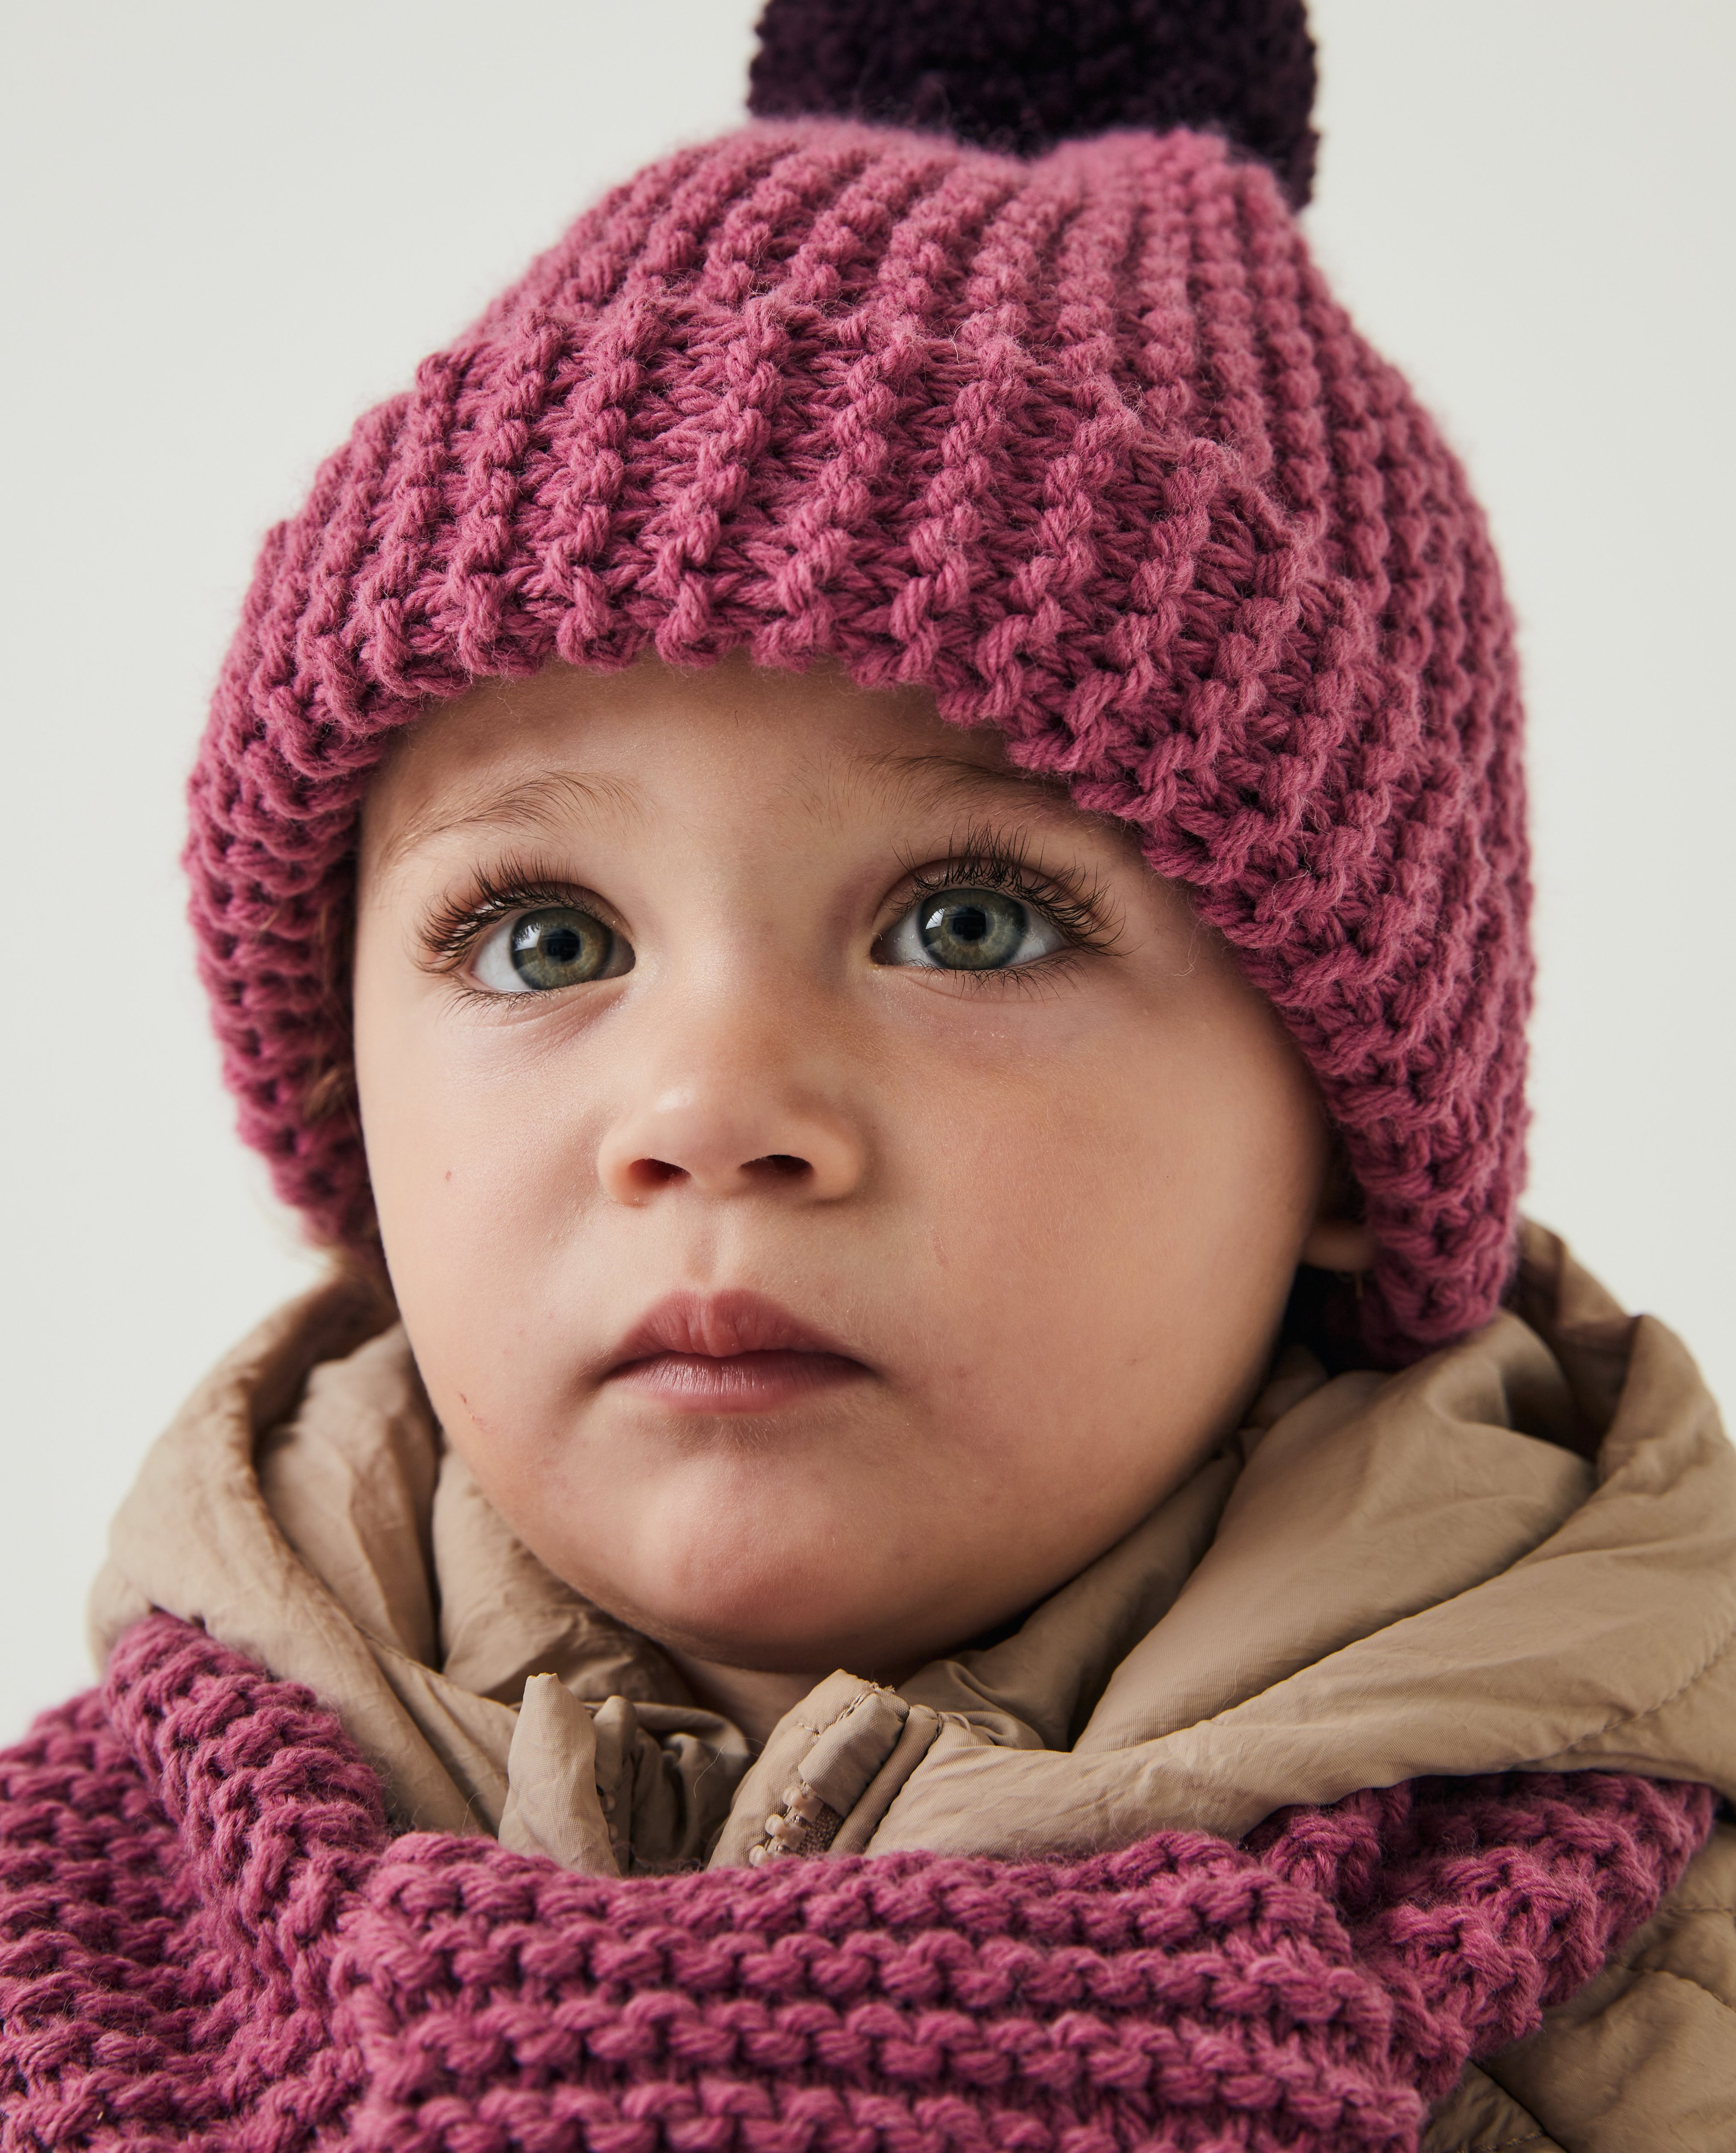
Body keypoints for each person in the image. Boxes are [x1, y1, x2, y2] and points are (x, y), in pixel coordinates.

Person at [1, 2, 1730, 2144]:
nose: (711, 1111)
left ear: (1353, 1128)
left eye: (970, 923)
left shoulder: (1660, 2028)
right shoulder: (68, 1966)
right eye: (545, 939)